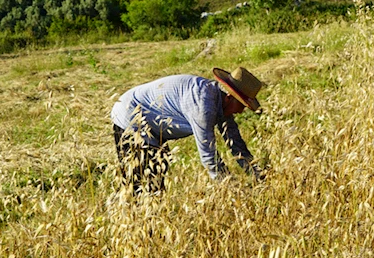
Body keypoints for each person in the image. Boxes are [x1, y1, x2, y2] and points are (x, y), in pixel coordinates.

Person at [111, 67, 265, 194]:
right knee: (144, 183)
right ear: (229, 97)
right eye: (242, 105)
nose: (242, 111)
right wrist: (236, 191)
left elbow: (236, 145)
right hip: (130, 115)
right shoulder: (203, 107)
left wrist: (259, 175)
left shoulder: (221, 103)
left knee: (158, 173)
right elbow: (209, 159)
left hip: (148, 119)